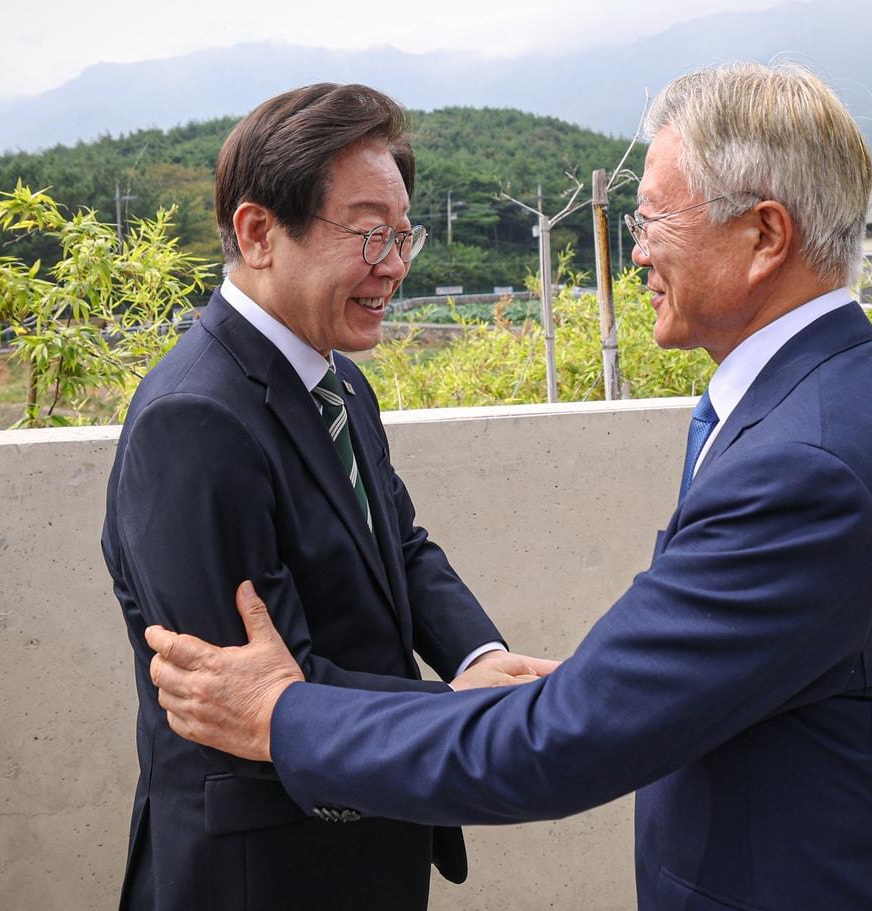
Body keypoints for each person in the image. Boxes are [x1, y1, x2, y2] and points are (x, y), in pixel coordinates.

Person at [143, 63, 872, 910]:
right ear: (258, 233)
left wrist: (285, 715)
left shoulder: (806, 458)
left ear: (764, 236)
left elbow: (558, 741)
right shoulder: (846, 400)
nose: (633, 250)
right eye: (371, 233)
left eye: (653, 218)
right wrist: (536, 687)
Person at [101, 83, 554, 911]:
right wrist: (453, 712)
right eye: (370, 232)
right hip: (267, 870)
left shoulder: (336, 379)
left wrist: (478, 655)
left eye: (402, 233)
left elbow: (402, 546)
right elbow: (250, 692)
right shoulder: (195, 421)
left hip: (365, 833)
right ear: (258, 232)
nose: (395, 264)